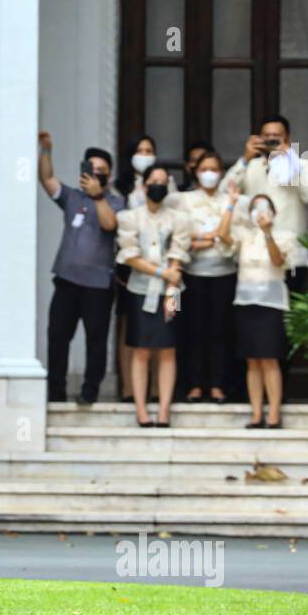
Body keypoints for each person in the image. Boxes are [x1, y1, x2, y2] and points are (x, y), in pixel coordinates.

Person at [37, 131, 123, 403]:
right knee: (58, 337)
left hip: (98, 284)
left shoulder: (116, 201)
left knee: (96, 342)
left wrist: (98, 198)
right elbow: (47, 180)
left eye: (101, 171)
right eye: (91, 169)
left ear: (108, 175)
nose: (96, 174)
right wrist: (47, 151)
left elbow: (111, 224)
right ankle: (56, 391)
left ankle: (90, 391)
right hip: (66, 280)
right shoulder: (73, 197)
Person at [115, 164, 191, 427]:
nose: (158, 185)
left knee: (169, 349)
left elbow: (179, 254)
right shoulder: (129, 217)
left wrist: (171, 283)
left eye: (163, 181)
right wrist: (162, 272)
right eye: (153, 180)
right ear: (144, 186)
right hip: (139, 290)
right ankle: (141, 410)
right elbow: (129, 256)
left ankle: (164, 410)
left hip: (173, 290)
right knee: (141, 350)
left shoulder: (179, 218)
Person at [217, 182, 296, 429]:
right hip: (245, 302)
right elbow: (222, 235)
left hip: (271, 304)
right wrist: (231, 203)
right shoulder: (244, 236)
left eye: (264, 207)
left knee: (269, 358)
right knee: (252, 359)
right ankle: (255, 413)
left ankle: (273, 414)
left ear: (274, 212)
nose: (259, 212)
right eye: (254, 207)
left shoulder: (285, 236)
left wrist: (268, 233)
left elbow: (277, 260)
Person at [222, 114, 308, 294]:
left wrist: (291, 162)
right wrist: (245, 159)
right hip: (255, 256)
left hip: (291, 257)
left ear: (288, 138)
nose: (271, 140)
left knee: (289, 316)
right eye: (266, 136)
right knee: (258, 315)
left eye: (277, 136)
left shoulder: (301, 165)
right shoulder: (250, 166)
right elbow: (224, 192)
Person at [172, 151, 236, 403]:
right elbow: (180, 236)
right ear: (195, 172)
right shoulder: (183, 200)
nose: (209, 173)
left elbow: (232, 237)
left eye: (214, 168)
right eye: (204, 169)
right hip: (191, 275)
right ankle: (194, 384)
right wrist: (204, 239)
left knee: (220, 331)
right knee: (193, 331)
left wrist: (206, 239)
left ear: (221, 172)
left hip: (225, 273)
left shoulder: (230, 200)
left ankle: (219, 385)